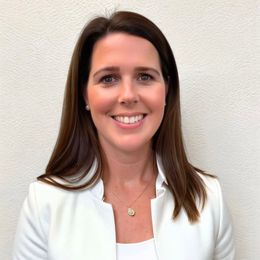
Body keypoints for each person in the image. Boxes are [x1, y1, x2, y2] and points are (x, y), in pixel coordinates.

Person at [13, 11, 235, 260]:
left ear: (167, 91)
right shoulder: (44, 203)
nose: (128, 95)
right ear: (85, 95)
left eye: (144, 76)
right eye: (108, 78)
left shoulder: (209, 199)